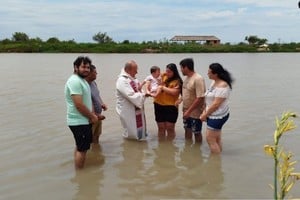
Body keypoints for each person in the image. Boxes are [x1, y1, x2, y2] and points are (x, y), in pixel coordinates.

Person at [64, 56, 98, 169]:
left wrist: (92, 115)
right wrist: (92, 116)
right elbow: (78, 105)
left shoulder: (82, 80)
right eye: (83, 67)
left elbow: (86, 101)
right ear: (75, 67)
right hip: (78, 121)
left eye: (88, 67)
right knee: (82, 149)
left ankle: (78, 169)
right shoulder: (74, 81)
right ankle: (80, 174)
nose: (86, 70)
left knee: (80, 147)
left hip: (82, 120)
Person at [200, 63, 233, 154]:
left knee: (210, 139)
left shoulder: (223, 86)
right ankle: (218, 160)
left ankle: (215, 161)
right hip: (211, 113)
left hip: (218, 115)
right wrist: (204, 109)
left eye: (209, 73)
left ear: (216, 74)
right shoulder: (214, 81)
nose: (208, 74)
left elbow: (216, 104)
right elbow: (209, 98)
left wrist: (204, 115)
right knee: (216, 138)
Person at [116, 60, 148, 140]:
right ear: (128, 70)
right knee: (131, 133)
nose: (137, 72)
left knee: (139, 132)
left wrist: (145, 92)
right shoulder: (122, 80)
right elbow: (131, 96)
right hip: (128, 111)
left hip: (136, 110)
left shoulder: (133, 79)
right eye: (135, 70)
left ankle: (140, 143)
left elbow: (140, 89)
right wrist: (145, 94)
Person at [152, 63, 183, 140]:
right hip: (158, 105)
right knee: (161, 128)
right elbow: (152, 77)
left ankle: (170, 146)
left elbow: (174, 92)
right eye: (167, 71)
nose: (167, 73)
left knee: (170, 128)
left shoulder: (178, 81)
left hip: (171, 106)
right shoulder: (163, 76)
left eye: (169, 72)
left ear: (174, 72)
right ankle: (161, 145)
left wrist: (162, 87)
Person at [179, 58, 206, 144]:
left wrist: (189, 111)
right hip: (186, 110)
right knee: (187, 129)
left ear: (186, 67)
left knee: (197, 132)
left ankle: (197, 152)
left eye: (181, 68)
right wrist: (180, 100)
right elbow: (186, 92)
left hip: (195, 112)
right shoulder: (187, 78)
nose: (181, 70)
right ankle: (188, 149)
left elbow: (200, 97)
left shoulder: (198, 79)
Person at [85, 64, 107, 144]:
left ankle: (97, 153)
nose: (96, 74)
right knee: (88, 141)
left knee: (96, 137)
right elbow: (86, 103)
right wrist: (96, 115)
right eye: (95, 72)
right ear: (89, 73)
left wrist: (102, 103)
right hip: (90, 118)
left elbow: (97, 95)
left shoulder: (93, 83)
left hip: (98, 116)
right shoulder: (85, 85)